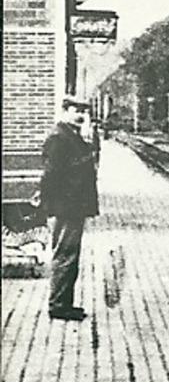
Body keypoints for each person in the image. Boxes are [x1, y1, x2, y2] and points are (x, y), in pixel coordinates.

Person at [40, 98, 99, 321]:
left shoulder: (71, 135)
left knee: (70, 255)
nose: (81, 115)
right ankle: (58, 305)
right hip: (67, 206)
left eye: (84, 111)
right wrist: (50, 204)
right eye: (76, 110)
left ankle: (65, 303)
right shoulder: (59, 137)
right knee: (65, 255)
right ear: (64, 111)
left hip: (74, 205)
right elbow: (51, 174)